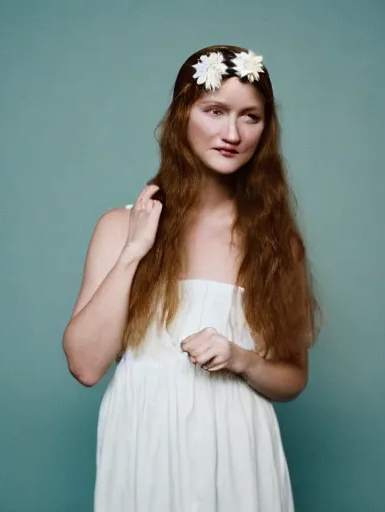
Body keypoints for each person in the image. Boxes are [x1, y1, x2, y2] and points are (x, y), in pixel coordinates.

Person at [62, 44, 321, 512]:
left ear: (266, 129)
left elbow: (293, 378)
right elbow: (85, 366)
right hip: (144, 442)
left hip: (240, 447)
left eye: (250, 117)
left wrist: (242, 360)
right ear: (183, 114)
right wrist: (134, 253)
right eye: (215, 110)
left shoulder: (276, 244)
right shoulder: (120, 227)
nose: (232, 133)